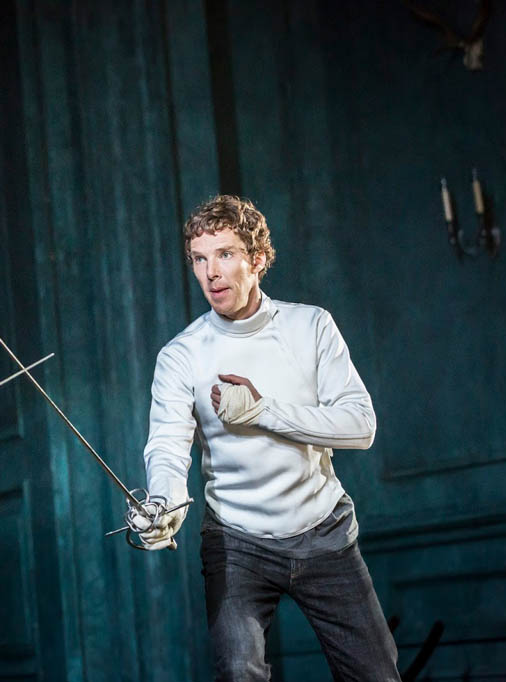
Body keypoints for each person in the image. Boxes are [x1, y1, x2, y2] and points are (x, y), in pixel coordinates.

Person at [139, 195, 399, 681]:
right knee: (239, 675)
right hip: (236, 542)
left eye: (226, 254)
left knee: (377, 676)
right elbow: (168, 447)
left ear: (257, 259)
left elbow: (361, 425)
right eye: (200, 258)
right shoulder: (181, 355)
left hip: (324, 531)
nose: (211, 272)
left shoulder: (312, 325)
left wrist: (263, 411)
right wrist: (164, 505)